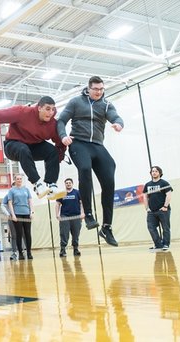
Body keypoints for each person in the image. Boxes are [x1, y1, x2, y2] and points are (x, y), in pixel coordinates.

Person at [57, 75, 124, 246]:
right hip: (78, 143)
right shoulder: (76, 102)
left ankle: (107, 227)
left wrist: (118, 124)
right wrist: (63, 136)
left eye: (101, 89)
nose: (99, 92)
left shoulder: (106, 104)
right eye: (95, 89)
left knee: (110, 174)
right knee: (85, 169)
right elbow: (61, 121)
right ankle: (88, 214)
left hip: (97, 145)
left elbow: (115, 116)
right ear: (88, 88)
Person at [0, 96, 66, 200]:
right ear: (39, 108)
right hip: (13, 145)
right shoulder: (22, 112)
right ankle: (37, 184)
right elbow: (0, 115)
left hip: (34, 146)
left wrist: (58, 158)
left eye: (53, 109)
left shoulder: (53, 124)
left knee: (52, 151)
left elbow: (60, 143)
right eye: (47, 109)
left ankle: (51, 185)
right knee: (23, 149)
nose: (51, 113)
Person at [143, 166, 173, 251]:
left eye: (156, 171)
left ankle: (166, 244)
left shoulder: (164, 183)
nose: (154, 172)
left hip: (163, 210)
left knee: (165, 228)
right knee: (151, 228)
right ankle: (158, 244)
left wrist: (165, 206)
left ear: (159, 173)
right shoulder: (148, 185)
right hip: (151, 211)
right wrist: (147, 208)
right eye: (152, 171)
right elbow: (145, 197)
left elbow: (169, 195)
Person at [55, 178, 84, 257]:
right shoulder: (61, 193)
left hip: (76, 216)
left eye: (69, 183)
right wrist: (57, 214)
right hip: (65, 216)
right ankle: (63, 250)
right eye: (67, 183)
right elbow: (57, 204)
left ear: (72, 184)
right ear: (65, 184)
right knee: (64, 233)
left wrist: (82, 213)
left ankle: (76, 249)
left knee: (76, 234)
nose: (68, 184)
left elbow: (82, 203)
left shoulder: (77, 192)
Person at [7, 174, 33, 260]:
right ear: (15, 180)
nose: (19, 180)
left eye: (20, 179)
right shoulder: (11, 190)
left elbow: (30, 201)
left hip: (26, 213)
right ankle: (20, 253)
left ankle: (29, 252)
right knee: (19, 234)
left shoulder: (26, 189)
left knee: (28, 233)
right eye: (17, 179)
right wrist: (13, 214)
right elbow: (10, 203)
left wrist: (31, 212)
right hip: (17, 214)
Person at [0, 184, 24, 261]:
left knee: (23, 234)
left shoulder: (23, 194)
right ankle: (14, 252)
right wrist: (8, 214)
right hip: (12, 217)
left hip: (21, 216)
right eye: (13, 186)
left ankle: (22, 251)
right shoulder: (8, 195)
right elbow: (3, 205)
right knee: (14, 235)